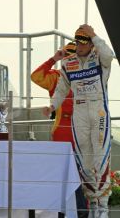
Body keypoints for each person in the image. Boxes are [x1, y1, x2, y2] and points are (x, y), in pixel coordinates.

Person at [43, 25, 114, 218]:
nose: (80, 46)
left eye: (84, 43)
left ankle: (103, 208)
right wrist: (52, 106)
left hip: (99, 110)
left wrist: (95, 35)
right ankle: (93, 205)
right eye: (78, 43)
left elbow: (111, 55)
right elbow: (61, 89)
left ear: (91, 44)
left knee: (100, 159)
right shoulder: (68, 63)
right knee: (84, 161)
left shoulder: (100, 56)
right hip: (79, 111)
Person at [32, 43, 89, 218]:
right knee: (64, 173)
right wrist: (53, 59)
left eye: (72, 55)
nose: (69, 58)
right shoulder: (56, 76)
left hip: (83, 129)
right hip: (63, 130)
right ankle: (69, 212)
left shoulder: (87, 75)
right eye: (66, 55)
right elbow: (35, 76)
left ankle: (81, 211)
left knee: (83, 173)